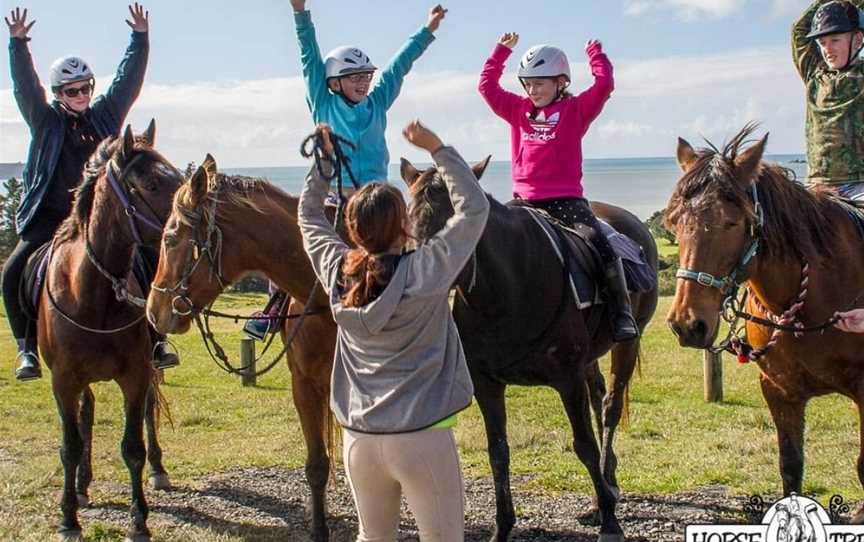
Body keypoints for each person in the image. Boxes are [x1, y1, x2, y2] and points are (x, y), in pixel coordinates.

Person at [298, 121, 488, 541]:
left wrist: (324, 164)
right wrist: (437, 147)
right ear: (405, 224)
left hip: (360, 440)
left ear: (351, 230)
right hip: (422, 438)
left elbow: (309, 215)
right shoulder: (426, 271)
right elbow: (474, 208)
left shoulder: (336, 272)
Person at [245, 0, 448, 340]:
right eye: (354, 77)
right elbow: (309, 56)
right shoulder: (322, 102)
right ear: (334, 82)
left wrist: (427, 31)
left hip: (377, 202)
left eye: (365, 76)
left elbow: (399, 66)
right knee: (294, 246)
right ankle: (273, 310)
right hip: (334, 199)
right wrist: (300, 13)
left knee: (413, 246)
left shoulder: (377, 101)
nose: (363, 82)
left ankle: (423, 310)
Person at [3, 4, 178, 381]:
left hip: (101, 219)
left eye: (85, 88)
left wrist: (140, 38)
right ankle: (26, 348)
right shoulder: (44, 121)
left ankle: (157, 338)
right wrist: (18, 46)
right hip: (50, 219)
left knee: (149, 257)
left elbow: (127, 83)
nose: (80, 94)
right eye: (71, 90)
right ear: (58, 93)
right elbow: (24, 88)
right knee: (12, 271)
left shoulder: (104, 116)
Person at [477, 32, 638, 342]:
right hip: (523, 201)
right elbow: (486, 87)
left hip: (566, 201)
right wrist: (500, 53)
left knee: (600, 245)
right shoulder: (517, 109)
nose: (532, 90)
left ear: (560, 82)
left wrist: (595, 54)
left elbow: (604, 85)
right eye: (527, 83)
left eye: (540, 83)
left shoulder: (576, 110)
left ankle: (621, 313)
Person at [793, 0, 864, 199]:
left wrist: (856, 8)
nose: (827, 49)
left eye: (835, 40)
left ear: (857, 40)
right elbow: (799, 30)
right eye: (822, 43)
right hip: (817, 185)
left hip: (859, 185)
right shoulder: (813, 74)